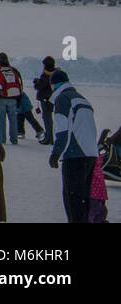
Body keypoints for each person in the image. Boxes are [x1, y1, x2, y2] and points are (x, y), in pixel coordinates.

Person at [47, 69, 98, 223]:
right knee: (84, 201)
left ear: (53, 85)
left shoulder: (63, 99)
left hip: (75, 155)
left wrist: (56, 153)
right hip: (91, 154)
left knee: (73, 201)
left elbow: (62, 131)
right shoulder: (82, 99)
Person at [0, 53, 24, 145]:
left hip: (0, 99)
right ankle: (14, 139)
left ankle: (2, 140)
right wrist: (18, 99)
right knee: (13, 119)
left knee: (2, 120)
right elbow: (20, 85)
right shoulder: (14, 70)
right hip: (13, 98)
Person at [33, 57, 57, 145]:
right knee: (48, 118)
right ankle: (49, 136)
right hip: (52, 98)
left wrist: (36, 82)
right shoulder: (56, 73)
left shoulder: (46, 75)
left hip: (46, 99)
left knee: (47, 118)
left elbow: (40, 86)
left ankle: (49, 138)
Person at [89, 156, 109, 223]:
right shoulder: (97, 169)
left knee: (93, 212)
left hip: (95, 194)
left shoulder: (91, 168)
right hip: (99, 194)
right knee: (99, 212)